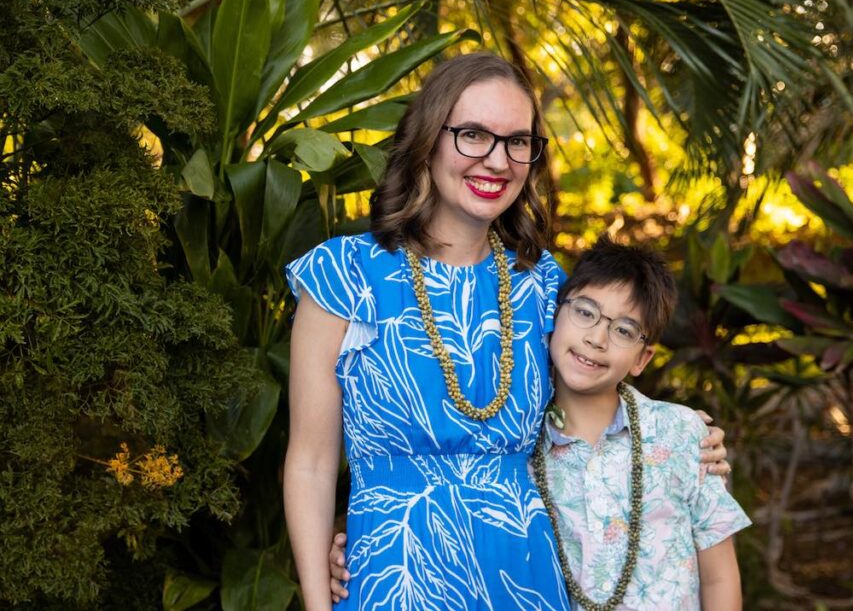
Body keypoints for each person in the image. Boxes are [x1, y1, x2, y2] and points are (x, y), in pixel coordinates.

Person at [285, 52, 728, 611]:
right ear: (429, 138)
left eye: (518, 142)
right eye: (473, 135)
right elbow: (311, 461)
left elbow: (593, 408)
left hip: (524, 580)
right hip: (391, 577)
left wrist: (688, 439)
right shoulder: (343, 275)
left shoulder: (545, 284)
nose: (497, 160)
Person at [329, 238, 749, 610]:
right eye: (585, 312)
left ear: (643, 358)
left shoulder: (680, 435)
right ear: (551, 316)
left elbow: (719, 575)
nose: (596, 339)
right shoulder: (518, 450)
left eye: (624, 330)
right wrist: (348, 540)